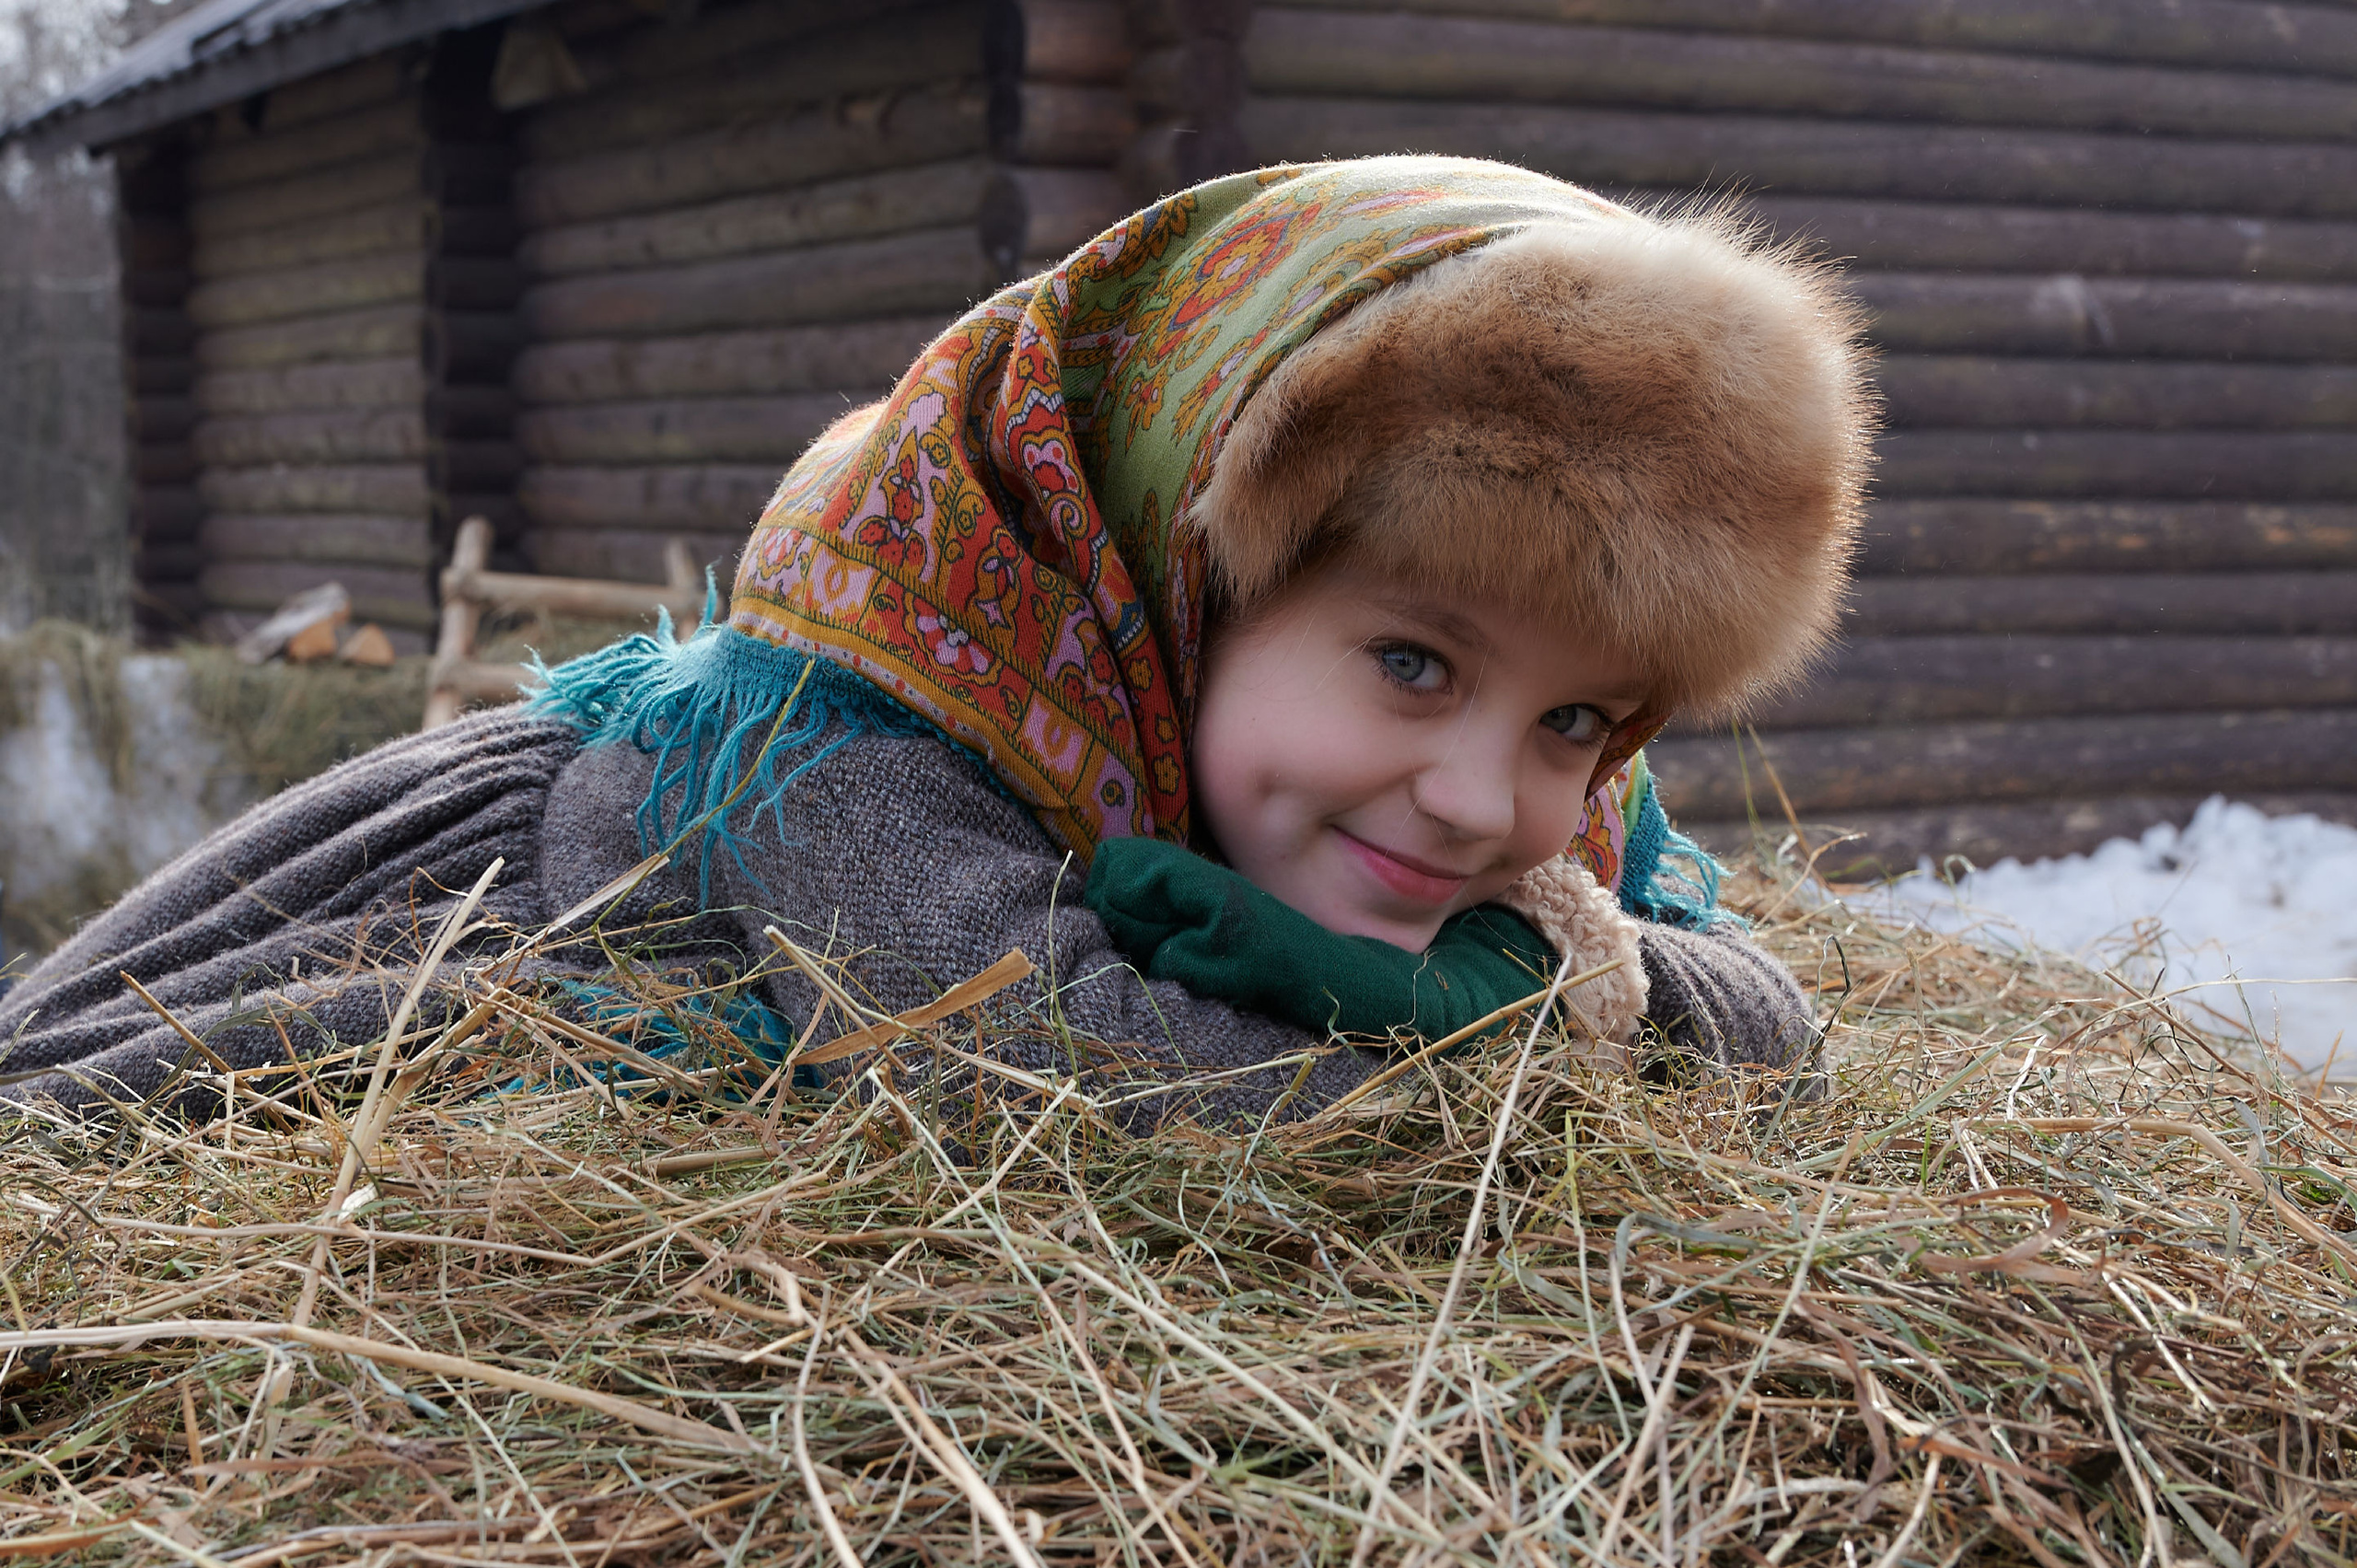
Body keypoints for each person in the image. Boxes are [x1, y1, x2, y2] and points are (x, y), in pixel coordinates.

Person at [0, 157, 1870, 1125]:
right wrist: (1484, 1022)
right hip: (445, 964)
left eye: (1577, 720)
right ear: (1175, 574)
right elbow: (1065, 1083)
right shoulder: (856, 754)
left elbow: (1757, 1012)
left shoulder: (1523, 803)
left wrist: (1579, 978)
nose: (1485, 797)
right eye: (1408, 665)